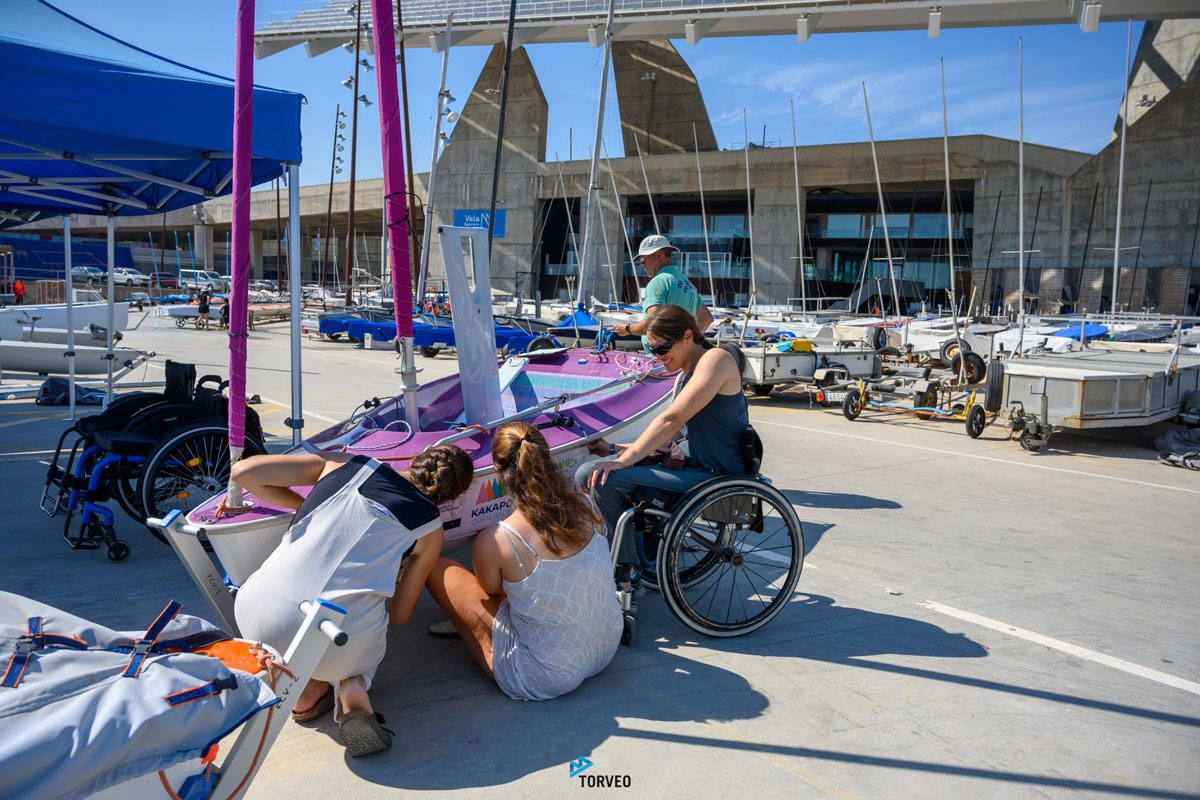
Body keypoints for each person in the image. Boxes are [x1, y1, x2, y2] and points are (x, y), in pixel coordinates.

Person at [231, 445, 474, 756]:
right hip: (336, 644)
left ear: (415, 460)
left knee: (301, 627)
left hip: (254, 615)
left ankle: (304, 696)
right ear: (452, 496)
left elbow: (243, 473)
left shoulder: (345, 464)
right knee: (363, 636)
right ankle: (352, 687)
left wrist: (305, 506)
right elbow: (399, 615)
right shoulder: (429, 529)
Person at [424, 422, 622, 701]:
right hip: (605, 647)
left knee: (436, 566)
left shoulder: (499, 538)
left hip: (546, 674)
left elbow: (492, 592)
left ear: (497, 471)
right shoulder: (586, 503)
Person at [577, 305, 748, 588]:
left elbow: (672, 419)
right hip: (691, 467)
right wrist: (613, 449)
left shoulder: (717, 359)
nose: (656, 357)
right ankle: (631, 563)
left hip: (716, 475)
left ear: (687, 336)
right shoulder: (683, 374)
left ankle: (626, 569)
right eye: (652, 350)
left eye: (661, 348)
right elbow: (674, 436)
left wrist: (622, 462)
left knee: (596, 476)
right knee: (592, 473)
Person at [612, 234, 714, 351]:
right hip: (682, 356)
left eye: (644, 259)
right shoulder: (687, 282)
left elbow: (652, 324)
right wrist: (687, 341)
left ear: (659, 254)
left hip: (660, 356)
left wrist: (627, 329)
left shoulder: (658, 282)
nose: (642, 264)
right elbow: (706, 318)